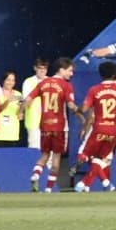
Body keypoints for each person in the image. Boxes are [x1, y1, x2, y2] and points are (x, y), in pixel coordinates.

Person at [76, 60, 116, 192]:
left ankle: (85, 181)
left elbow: (88, 111)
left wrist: (78, 112)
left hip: (102, 128)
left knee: (94, 155)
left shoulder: (94, 90)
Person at [25, 57, 78, 193]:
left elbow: (28, 99)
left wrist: (20, 111)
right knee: (56, 158)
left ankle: (35, 174)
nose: (71, 74)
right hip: (60, 126)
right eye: (70, 71)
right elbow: (71, 105)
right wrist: (81, 114)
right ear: (61, 70)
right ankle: (48, 188)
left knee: (44, 155)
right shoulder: (66, 85)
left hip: (45, 126)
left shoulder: (43, 83)